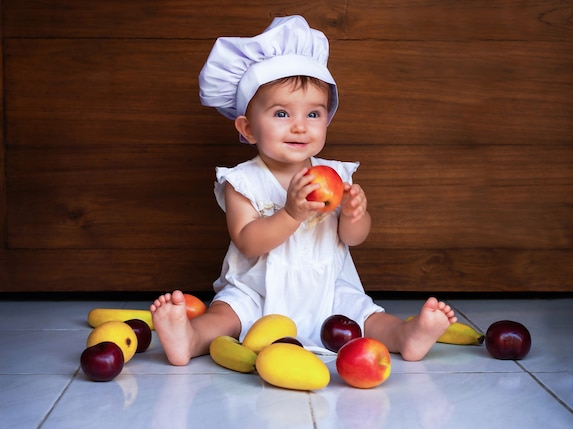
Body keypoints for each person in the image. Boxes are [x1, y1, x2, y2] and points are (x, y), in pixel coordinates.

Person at [151, 15, 456, 366]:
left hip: (326, 284)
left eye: (313, 114)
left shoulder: (336, 174)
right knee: (228, 313)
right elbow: (248, 242)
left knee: (364, 314)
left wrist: (357, 216)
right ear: (248, 128)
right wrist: (291, 213)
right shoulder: (243, 181)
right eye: (281, 113)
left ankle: (406, 335)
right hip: (258, 286)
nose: (299, 126)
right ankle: (190, 337)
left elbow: (353, 238)